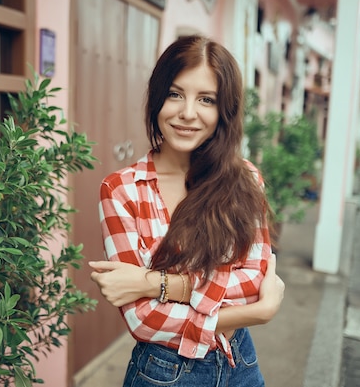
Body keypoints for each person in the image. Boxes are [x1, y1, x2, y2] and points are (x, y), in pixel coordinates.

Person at [88, 35, 285, 387]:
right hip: (165, 373)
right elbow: (143, 319)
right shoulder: (122, 190)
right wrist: (256, 313)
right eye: (175, 94)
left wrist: (156, 283)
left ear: (224, 110)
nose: (188, 113)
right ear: (157, 98)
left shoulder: (245, 180)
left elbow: (255, 280)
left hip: (241, 361)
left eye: (206, 99)